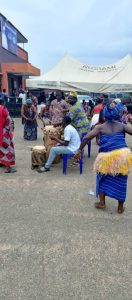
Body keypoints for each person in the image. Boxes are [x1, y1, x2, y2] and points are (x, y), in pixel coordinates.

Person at [74, 102, 132, 214]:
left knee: (102, 178)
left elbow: (86, 138)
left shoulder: (100, 127)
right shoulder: (121, 125)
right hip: (122, 157)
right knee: (121, 181)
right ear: (117, 115)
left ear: (104, 115)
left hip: (105, 158)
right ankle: (120, 208)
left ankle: (102, 203)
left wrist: (79, 150)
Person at [0, 97, 16, 173]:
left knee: (1, 149)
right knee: (8, 149)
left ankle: (2, 162)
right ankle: (8, 167)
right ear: (3, 103)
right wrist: (11, 130)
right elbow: (9, 122)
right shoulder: (3, 109)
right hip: (4, 133)